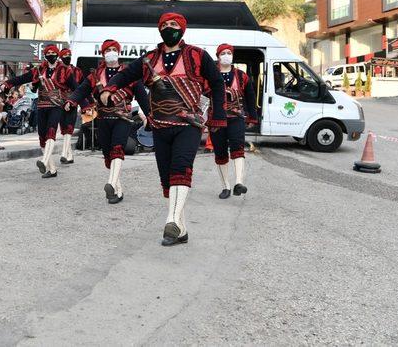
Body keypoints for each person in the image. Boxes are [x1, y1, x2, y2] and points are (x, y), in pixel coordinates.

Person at [100, 12, 227, 247]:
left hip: (188, 125)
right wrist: (109, 87)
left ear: (182, 29)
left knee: (181, 168)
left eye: (174, 24)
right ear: (159, 29)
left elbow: (218, 83)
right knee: (167, 180)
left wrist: (217, 116)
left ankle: (170, 221)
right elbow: (126, 74)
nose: (169, 28)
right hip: (159, 126)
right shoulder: (149, 58)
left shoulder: (198, 55)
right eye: (165, 24)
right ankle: (181, 229)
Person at [65, 39, 150, 204]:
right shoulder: (95, 75)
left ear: (118, 52)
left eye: (113, 49)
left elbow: (142, 97)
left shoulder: (129, 74)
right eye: (107, 50)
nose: (111, 52)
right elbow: (81, 90)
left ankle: (110, 183)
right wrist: (71, 101)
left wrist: (149, 116)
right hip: (103, 118)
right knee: (107, 154)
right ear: (103, 54)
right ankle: (117, 189)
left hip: (123, 118)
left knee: (118, 148)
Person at [3, 44, 77, 178]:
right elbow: (23, 78)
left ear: (56, 54)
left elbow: (77, 88)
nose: (50, 55)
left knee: (51, 132)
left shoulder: (65, 70)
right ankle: (52, 168)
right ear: (45, 55)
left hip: (56, 105)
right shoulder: (39, 70)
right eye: (48, 53)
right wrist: (8, 83)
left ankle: (43, 160)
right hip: (42, 105)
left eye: (52, 52)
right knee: (42, 136)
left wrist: (78, 103)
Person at [210, 44, 257, 199]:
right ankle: (226, 187)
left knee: (238, 148)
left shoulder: (241, 76)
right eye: (223, 53)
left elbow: (250, 97)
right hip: (216, 120)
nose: (226, 55)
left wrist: (252, 117)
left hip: (236, 118)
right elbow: (202, 95)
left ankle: (238, 182)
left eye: (229, 53)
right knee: (221, 153)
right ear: (218, 56)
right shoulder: (210, 75)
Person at [58, 47, 83, 164]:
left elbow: (82, 87)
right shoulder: (58, 71)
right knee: (63, 128)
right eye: (65, 55)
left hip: (73, 101)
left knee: (69, 127)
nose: (67, 57)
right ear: (61, 57)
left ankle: (64, 153)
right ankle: (70, 155)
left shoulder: (77, 71)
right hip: (59, 101)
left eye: (69, 55)